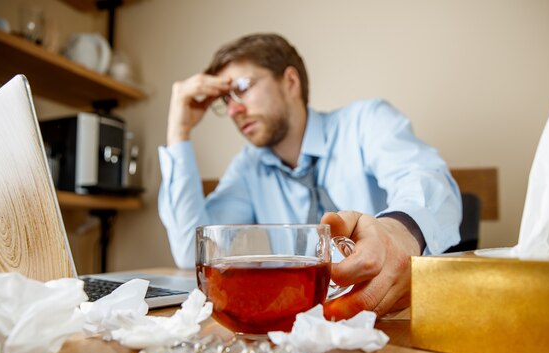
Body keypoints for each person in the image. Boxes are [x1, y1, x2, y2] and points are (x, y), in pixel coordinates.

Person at [158, 33, 462, 320]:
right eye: (225, 100)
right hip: (293, 329)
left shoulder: (365, 122)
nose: (234, 109)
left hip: (388, 322)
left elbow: (430, 181)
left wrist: (399, 233)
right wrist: (178, 132)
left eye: (241, 88)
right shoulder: (249, 167)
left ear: (290, 81)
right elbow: (192, 250)